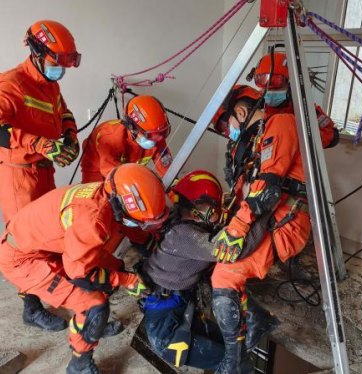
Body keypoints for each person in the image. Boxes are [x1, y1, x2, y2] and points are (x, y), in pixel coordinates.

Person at [0, 163, 168, 374]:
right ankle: (79, 363)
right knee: (93, 305)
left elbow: (132, 229)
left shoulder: (109, 193)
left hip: (46, 245)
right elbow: (81, 275)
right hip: (23, 260)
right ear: (122, 206)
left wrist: (156, 250)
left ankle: (93, 327)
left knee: (115, 266)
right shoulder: (93, 220)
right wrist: (128, 280)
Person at [210, 85, 311, 373]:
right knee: (217, 252)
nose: (226, 130)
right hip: (269, 216)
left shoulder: (280, 124)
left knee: (224, 274)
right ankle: (256, 319)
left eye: (226, 123)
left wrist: (236, 228)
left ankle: (235, 362)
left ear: (240, 113)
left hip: (284, 221)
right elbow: (247, 192)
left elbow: (266, 189)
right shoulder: (256, 142)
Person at [140, 170, 278, 373]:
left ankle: (257, 318)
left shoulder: (183, 225)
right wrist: (264, 212)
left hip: (177, 313)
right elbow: (235, 249)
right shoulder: (184, 236)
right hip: (166, 332)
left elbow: (223, 232)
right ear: (197, 206)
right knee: (231, 363)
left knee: (235, 350)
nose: (216, 212)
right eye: (213, 207)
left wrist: (243, 206)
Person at [0, 20, 81, 332]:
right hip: (19, 179)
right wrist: (39, 144)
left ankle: (61, 293)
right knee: (25, 246)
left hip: (44, 173)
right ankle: (31, 308)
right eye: (55, 62)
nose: (60, 70)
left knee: (49, 236)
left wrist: (70, 138)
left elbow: (64, 113)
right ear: (36, 53)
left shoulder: (50, 84)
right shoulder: (11, 84)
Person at [253, 50, 339, 149]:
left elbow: (333, 135)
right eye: (265, 89)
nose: (269, 93)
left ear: (291, 85)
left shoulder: (304, 108)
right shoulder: (253, 106)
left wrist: (300, 137)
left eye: (276, 88)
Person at [80, 95, 173, 183]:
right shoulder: (111, 138)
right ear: (132, 128)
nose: (158, 139)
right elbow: (113, 176)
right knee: (100, 197)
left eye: (162, 133)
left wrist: (177, 194)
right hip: (96, 168)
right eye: (151, 135)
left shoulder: (157, 137)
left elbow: (168, 173)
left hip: (125, 168)